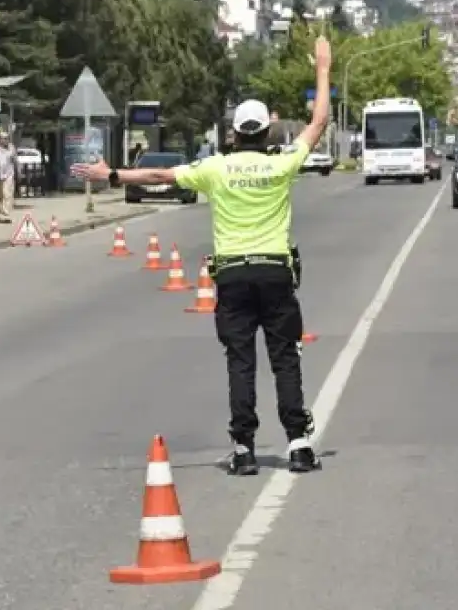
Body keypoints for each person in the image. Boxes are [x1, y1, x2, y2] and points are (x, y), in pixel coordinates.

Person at [72, 34, 334, 476]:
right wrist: (323, 69)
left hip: (232, 276)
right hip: (275, 274)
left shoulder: (215, 168)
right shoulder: (280, 164)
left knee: (241, 362)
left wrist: (113, 173)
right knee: (284, 356)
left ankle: (245, 448)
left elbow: (159, 173)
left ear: (233, 134)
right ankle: (299, 444)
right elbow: (319, 122)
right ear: (267, 132)